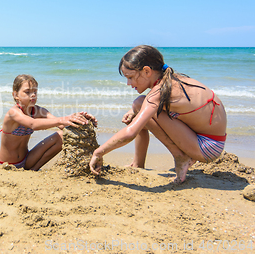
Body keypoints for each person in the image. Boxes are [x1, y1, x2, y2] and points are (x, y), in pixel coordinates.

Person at [89, 45, 227, 184]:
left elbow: (131, 132)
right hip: (213, 143)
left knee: (139, 104)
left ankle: (181, 157)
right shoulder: (172, 80)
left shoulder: (157, 93)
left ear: (147, 71)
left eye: (130, 77)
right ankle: (138, 163)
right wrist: (136, 110)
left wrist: (99, 152)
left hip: (206, 147)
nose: (128, 83)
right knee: (139, 105)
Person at [0, 74, 97, 170]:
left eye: (35, 92)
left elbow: (62, 125)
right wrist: (64, 118)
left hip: (27, 160)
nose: (33, 95)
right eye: (27, 92)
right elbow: (33, 124)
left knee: (61, 136)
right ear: (15, 95)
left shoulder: (38, 111)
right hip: (7, 164)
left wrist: (82, 120)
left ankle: (34, 169)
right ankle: (31, 169)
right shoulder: (13, 112)